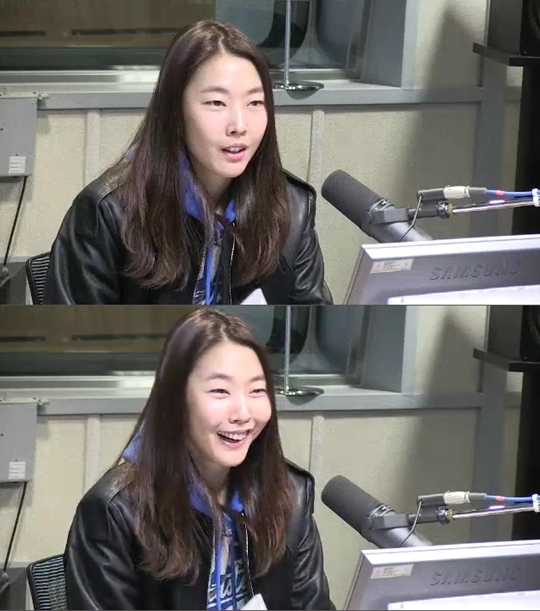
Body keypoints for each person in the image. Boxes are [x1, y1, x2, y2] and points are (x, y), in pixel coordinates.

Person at [43, 20, 331, 305]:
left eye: (255, 103)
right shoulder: (108, 211)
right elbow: (75, 332)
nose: (239, 125)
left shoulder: (292, 205)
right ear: (175, 111)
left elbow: (308, 322)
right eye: (216, 103)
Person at [64, 309, 334, 610]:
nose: (243, 413)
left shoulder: (290, 493)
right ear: (176, 399)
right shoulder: (114, 511)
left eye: (257, 390)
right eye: (220, 391)